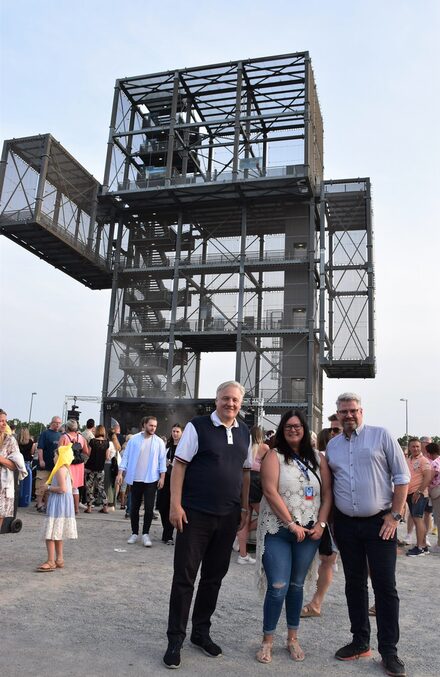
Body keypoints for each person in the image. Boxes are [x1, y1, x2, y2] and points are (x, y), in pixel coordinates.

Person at [163, 381, 252, 669]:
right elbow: (180, 465)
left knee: (213, 578)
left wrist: (243, 507)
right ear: (217, 400)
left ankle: (201, 633)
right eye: (226, 398)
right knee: (184, 578)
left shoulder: (245, 431)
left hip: (227, 517)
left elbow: (246, 472)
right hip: (195, 514)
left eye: (235, 400)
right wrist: (175, 505)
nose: (231, 404)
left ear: (241, 403)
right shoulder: (198, 426)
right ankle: (175, 638)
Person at [326, 392, 409, 677]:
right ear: (337, 414)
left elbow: (402, 477)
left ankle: (389, 651)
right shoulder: (333, 446)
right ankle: (360, 641)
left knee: (385, 586)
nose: (348, 415)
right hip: (347, 525)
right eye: (343, 412)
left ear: (361, 411)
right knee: (354, 583)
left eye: (353, 410)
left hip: (380, 523)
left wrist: (395, 515)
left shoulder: (381, 436)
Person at [255, 409, 332, 664]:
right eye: (288, 426)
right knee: (278, 586)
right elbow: (269, 491)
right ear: (282, 429)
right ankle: (267, 640)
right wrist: (290, 523)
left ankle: (292, 638)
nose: (293, 430)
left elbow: (327, 494)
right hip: (279, 531)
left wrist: (321, 524)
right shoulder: (274, 456)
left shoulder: (319, 459)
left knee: (297, 586)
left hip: (309, 533)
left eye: (297, 426)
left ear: (304, 427)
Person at [301, 424, 339, 619]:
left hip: (331, 517)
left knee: (328, 559)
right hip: (328, 516)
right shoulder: (320, 457)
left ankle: (316, 602)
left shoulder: (320, 458)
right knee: (328, 559)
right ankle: (316, 602)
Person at [116, 416, 166, 547]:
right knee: (134, 508)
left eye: (155, 426)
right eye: (151, 425)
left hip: (151, 479)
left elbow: (162, 461)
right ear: (144, 425)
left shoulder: (159, 442)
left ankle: (145, 534)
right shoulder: (134, 440)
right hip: (136, 478)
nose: (153, 428)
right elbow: (125, 457)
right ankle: (134, 532)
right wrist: (120, 473)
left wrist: (162, 477)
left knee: (149, 508)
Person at [36, 444, 77, 571]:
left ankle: (51, 561)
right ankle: (59, 559)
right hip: (63, 505)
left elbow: (62, 489)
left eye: (55, 455)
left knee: (50, 534)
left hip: (58, 505)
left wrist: (48, 488)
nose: (53, 457)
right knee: (58, 534)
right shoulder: (67, 469)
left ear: (61, 457)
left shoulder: (60, 470)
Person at [234, 424, 267, 564]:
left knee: (245, 519)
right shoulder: (264, 448)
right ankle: (243, 546)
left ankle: (243, 554)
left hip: (245, 481)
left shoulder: (245, 446)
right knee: (266, 516)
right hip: (257, 482)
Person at [0, 409, 28, 530]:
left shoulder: (10, 440)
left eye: (5, 421)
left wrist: (1, 459)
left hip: (3, 486)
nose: (4, 424)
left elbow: (16, 465)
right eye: (1, 421)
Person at [156, 424, 183, 545]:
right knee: (163, 507)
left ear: (182, 433)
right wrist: (164, 464)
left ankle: (168, 535)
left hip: (178, 479)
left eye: (177, 431)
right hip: (165, 478)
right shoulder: (167, 446)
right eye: (173, 431)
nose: (175, 433)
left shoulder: (185, 447)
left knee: (173, 506)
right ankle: (167, 531)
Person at [405, 438, 432, 556]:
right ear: (409, 447)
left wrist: (419, 492)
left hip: (419, 494)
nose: (415, 448)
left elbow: (428, 477)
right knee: (417, 520)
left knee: (418, 519)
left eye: (417, 446)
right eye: (413, 446)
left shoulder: (423, 460)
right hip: (410, 493)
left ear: (420, 447)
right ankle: (424, 546)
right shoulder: (408, 460)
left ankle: (420, 547)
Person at [58, 419, 89, 515]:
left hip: (68, 464)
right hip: (79, 465)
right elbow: (86, 452)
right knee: (75, 488)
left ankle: (66, 508)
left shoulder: (64, 437)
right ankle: (76, 509)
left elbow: (59, 452)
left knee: (66, 486)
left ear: (67, 427)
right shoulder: (81, 438)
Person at [36, 416, 62, 511]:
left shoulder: (60, 435)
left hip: (54, 466)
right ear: (52, 422)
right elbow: (40, 448)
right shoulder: (45, 434)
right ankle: (39, 504)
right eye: (56, 422)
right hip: (44, 464)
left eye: (60, 423)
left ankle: (47, 505)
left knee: (49, 487)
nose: (58, 425)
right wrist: (41, 460)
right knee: (41, 484)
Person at [84, 425, 110, 513]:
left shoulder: (92, 441)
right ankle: (105, 506)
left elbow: (88, 453)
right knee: (101, 487)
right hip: (100, 468)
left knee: (89, 487)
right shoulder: (107, 443)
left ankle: (89, 507)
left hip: (90, 467)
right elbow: (107, 457)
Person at [425, 442, 440, 553]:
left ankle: (439, 545)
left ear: (429, 453)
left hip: (437, 492)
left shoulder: (434, 463)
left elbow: (429, 478)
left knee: (438, 519)